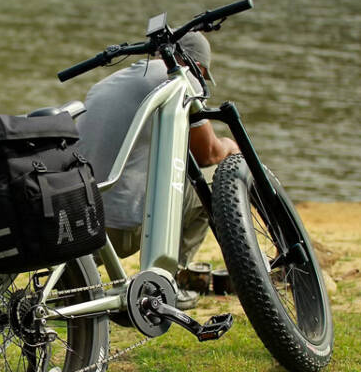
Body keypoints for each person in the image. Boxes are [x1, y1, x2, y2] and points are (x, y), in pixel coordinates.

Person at [75, 32, 239, 309]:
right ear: (196, 65)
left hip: (84, 222)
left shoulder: (109, 82)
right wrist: (231, 146)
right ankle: (165, 285)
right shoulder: (180, 79)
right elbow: (208, 154)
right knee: (213, 181)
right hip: (124, 230)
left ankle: (77, 281)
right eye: (202, 74)